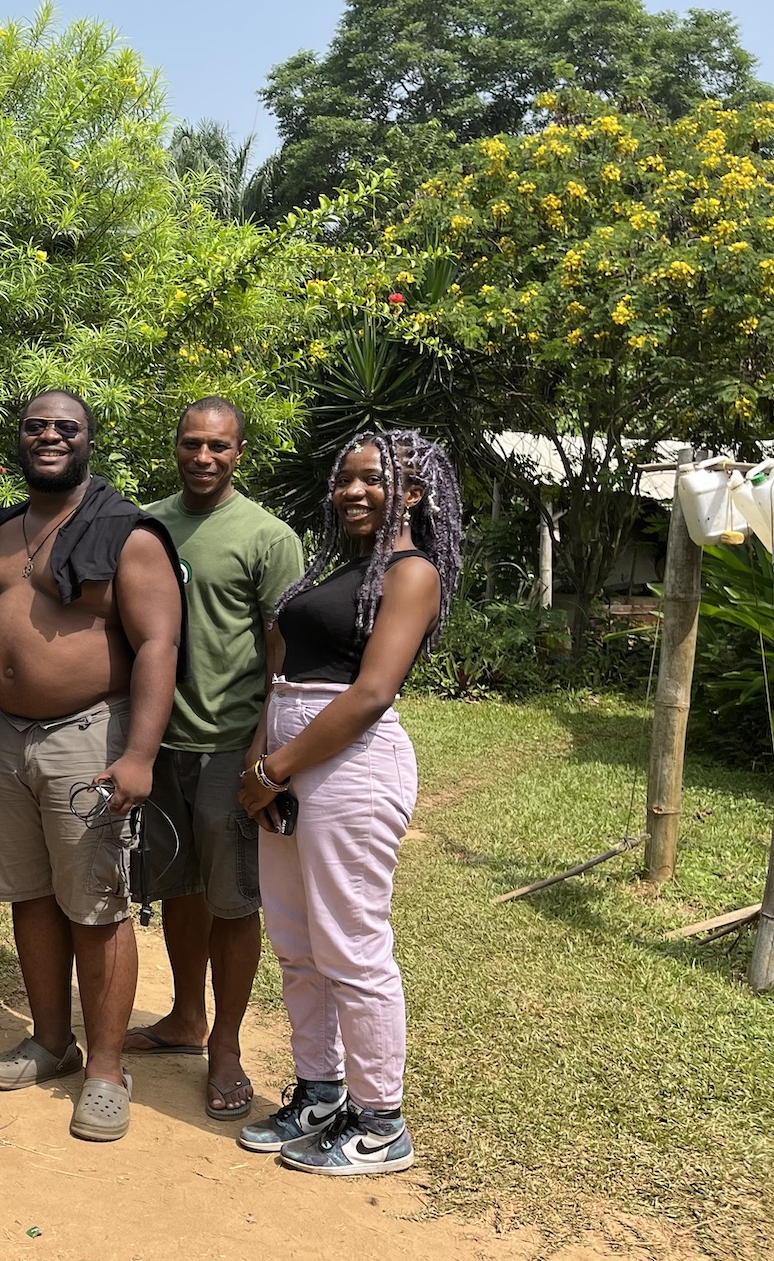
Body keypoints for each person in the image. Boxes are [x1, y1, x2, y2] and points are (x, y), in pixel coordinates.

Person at [235, 429, 460, 1177]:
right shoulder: (343, 568)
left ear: (415, 494)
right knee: (296, 943)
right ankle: (321, 1091)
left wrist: (275, 770)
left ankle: (381, 1121)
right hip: (287, 756)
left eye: (373, 479)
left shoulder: (412, 573)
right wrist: (259, 763)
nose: (353, 491)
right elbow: (281, 674)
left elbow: (370, 694)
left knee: (351, 947)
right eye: (345, 480)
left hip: (348, 764)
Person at [0, 389, 184, 1143]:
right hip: (4, 738)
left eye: (66, 427)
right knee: (29, 894)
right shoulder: (6, 531)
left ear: (90, 440)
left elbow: (158, 644)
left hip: (88, 736)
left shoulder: (128, 532)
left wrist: (139, 755)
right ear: (20, 439)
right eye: (36, 427)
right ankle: (50, 1041)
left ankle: (105, 1069)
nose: (50, 437)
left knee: (97, 905)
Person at [128, 398, 303, 1122]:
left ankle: (225, 1043)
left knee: (232, 901)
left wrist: (265, 751)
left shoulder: (267, 537)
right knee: (178, 888)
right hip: (158, 741)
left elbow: (283, 652)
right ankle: (185, 1016)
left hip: (230, 742)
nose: (203, 457)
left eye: (218, 446)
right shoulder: (144, 524)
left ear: (239, 453)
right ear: (175, 445)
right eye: (192, 443)